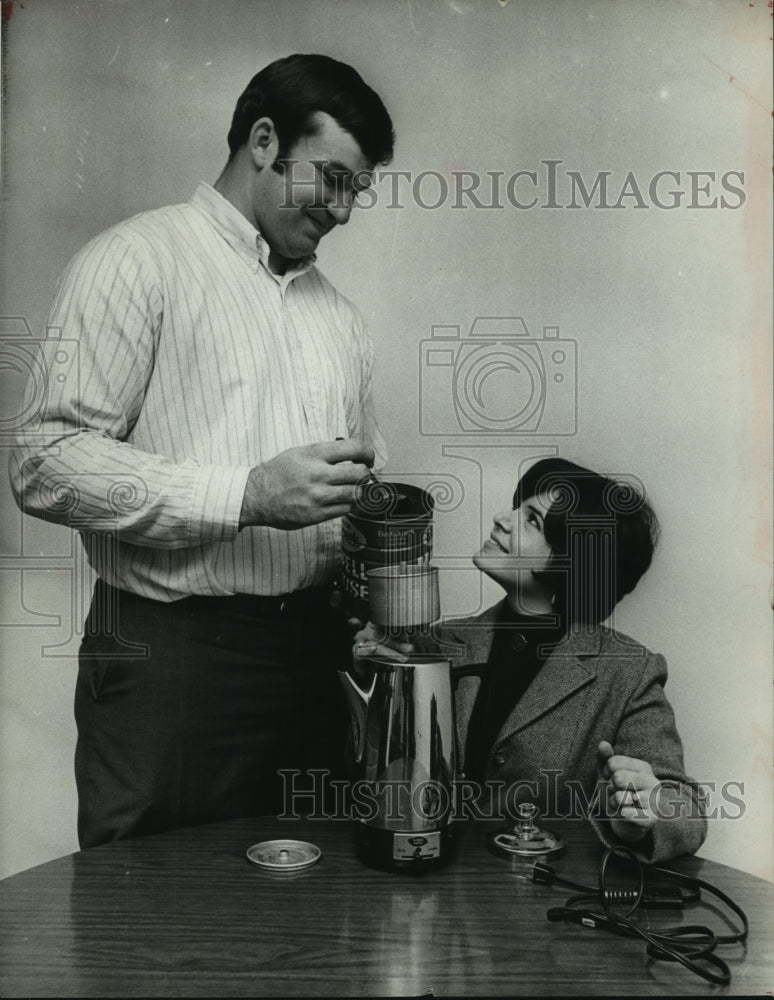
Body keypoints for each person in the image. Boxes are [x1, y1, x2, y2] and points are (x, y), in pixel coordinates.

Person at [9, 54, 395, 848]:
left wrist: (372, 586)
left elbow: (352, 496)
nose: (344, 209)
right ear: (262, 141)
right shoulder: (133, 261)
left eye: (357, 189)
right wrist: (247, 495)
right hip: (171, 658)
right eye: (330, 179)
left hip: (318, 662)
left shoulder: (344, 320)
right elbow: (43, 461)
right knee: (147, 934)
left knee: (313, 932)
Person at [355, 457, 707, 862]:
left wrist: (642, 814)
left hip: (543, 903)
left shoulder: (629, 671)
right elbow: (375, 780)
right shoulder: (435, 642)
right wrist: (375, 680)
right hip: (430, 886)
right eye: (516, 507)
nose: (502, 519)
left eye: (532, 521)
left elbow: (687, 812)